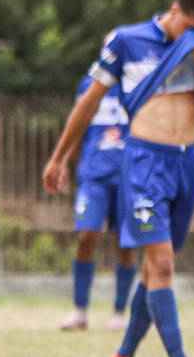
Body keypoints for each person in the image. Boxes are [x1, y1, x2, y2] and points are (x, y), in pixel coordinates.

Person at [42, 0, 194, 357]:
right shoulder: (126, 41)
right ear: (175, 10)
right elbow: (88, 102)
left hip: (185, 164)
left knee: (152, 270)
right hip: (143, 162)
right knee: (162, 263)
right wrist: (59, 157)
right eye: (191, 29)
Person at [58, 74, 138, 331]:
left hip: (129, 175)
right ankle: (80, 311)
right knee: (86, 235)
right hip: (93, 175)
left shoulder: (139, 83)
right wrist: (64, 162)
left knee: (125, 243)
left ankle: (119, 313)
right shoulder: (88, 85)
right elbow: (77, 126)